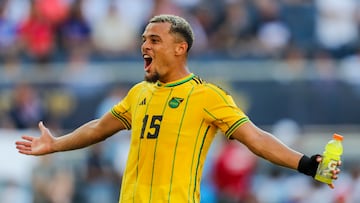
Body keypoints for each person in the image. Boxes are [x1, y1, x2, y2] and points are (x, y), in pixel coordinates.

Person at [15, 14, 341, 203]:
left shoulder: (207, 96)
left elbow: (255, 138)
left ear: (180, 48)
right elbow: (98, 127)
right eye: (144, 39)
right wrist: (56, 144)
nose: (145, 45)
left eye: (155, 40)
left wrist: (307, 165)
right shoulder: (138, 93)